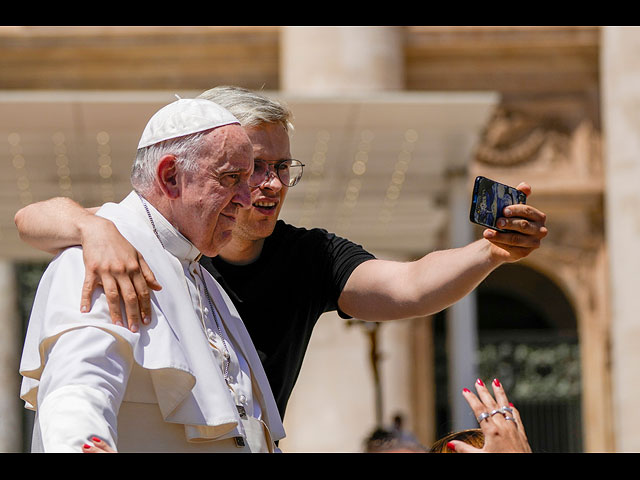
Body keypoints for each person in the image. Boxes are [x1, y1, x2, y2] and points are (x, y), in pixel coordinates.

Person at [14, 86, 549, 422]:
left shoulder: (305, 254)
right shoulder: (151, 243)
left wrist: (490, 254)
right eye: (246, 170)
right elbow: (30, 221)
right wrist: (93, 228)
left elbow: (408, 285)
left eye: (280, 169)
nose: (267, 186)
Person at [18, 98, 285, 452]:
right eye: (231, 178)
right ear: (171, 176)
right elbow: (78, 391)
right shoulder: (102, 257)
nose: (246, 198)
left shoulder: (197, 273)